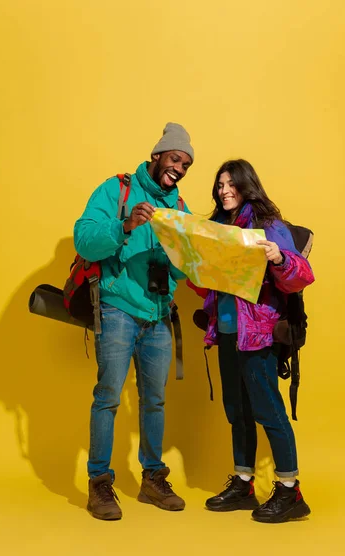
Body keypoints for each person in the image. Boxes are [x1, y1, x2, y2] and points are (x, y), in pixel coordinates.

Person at [74, 123, 194, 520]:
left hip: (158, 315)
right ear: (157, 155)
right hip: (118, 308)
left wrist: (189, 257)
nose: (180, 167)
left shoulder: (180, 207)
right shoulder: (118, 189)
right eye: (175, 158)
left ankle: (152, 480)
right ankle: (99, 484)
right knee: (108, 396)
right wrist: (126, 226)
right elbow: (84, 238)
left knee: (154, 401)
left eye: (187, 164)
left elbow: (185, 268)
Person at [189, 159, 314, 523]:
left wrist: (278, 257)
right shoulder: (216, 228)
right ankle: (243, 482)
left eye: (231, 184)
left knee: (268, 410)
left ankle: (290, 491)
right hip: (226, 331)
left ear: (247, 186)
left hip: (258, 335)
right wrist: (193, 263)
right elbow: (205, 285)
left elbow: (300, 275)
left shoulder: (268, 225)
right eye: (220, 185)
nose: (224, 190)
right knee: (237, 411)